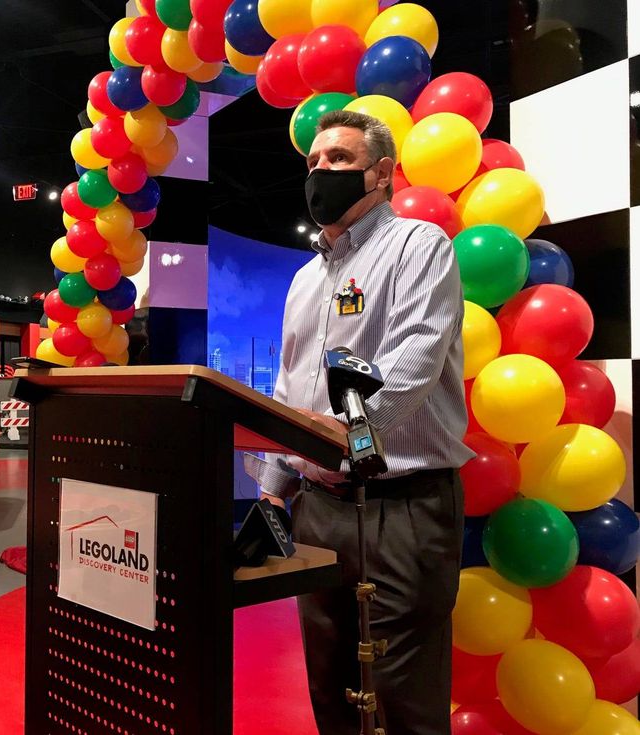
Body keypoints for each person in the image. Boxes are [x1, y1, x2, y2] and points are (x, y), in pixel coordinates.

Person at [249, 110, 473, 735]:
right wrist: (273, 489)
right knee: (331, 684)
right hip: (317, 508)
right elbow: (289, 386)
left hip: (400, 506)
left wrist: (339, 441)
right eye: (313, 163)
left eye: (338, 160)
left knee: (404, 696)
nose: (320, 171)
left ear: (380, 174)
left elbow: (412, 363)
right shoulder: (302, 280)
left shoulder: (416, 246)